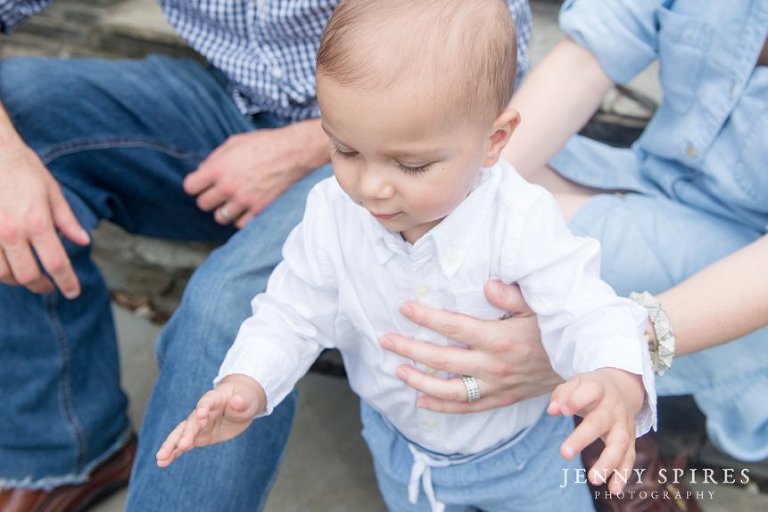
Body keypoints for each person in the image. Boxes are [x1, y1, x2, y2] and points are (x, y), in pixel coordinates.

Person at [0, 1, 533, 511]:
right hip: (228, 102)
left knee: (226, 307)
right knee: (15, 113)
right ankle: (66, 449)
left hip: (381, 133)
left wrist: (323, 144)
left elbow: (477, 53)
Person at [156, 1, 657, 510]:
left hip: (524, 462)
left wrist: (615, 374)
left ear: (494, 139)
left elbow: (584, 309)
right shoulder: (332, 211)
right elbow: (292, 312)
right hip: (399, 452)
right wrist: (249, 379)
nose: (371, 186)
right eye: (345, 150)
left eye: (412, 165)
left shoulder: (519, 219)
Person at [375, 0, 768, 508]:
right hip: (652, 177)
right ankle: (598, 427)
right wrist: (463, 205)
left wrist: (616, 348)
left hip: (748, 258)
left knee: (518, 246)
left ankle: (598, 429)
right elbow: (589, 56)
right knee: (450, 169)